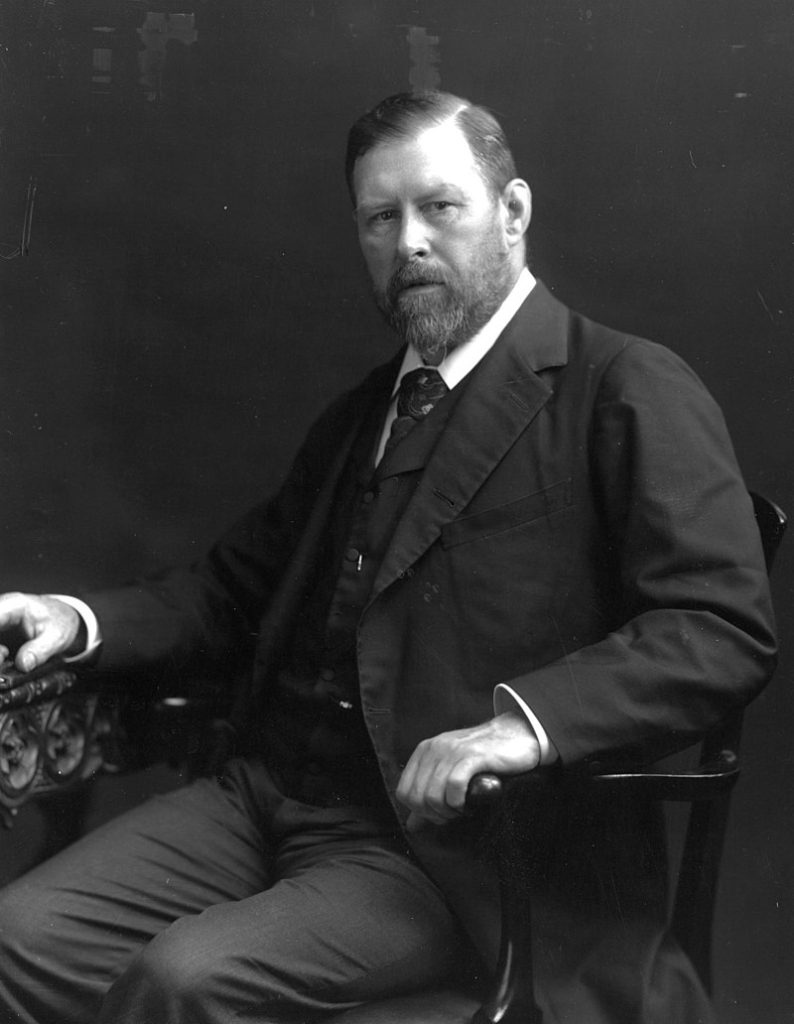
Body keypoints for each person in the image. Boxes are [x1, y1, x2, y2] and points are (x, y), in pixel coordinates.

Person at [0, 91, 776, 1024]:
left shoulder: (625, 385)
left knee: (188, 981)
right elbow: (230, 590)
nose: (408, 240)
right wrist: (75, 620)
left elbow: (718, 625)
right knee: (16, 940)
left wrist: (523, 723)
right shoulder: (366, 412)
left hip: (448, 849)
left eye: (438, 207)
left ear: (514, 212)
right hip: (265, 797)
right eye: (380, 216)